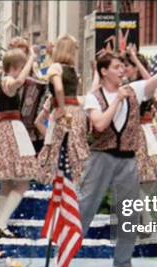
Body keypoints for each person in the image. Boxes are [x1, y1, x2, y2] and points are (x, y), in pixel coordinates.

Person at [80, 27, 157, 267]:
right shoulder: (93, 97)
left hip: (128, 158)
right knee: (86, 206)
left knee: (128, 212)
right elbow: (99, 124)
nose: (123, 70)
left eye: (123, 67)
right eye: (117, 67)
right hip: (101, 157)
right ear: (104, 71)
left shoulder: (136, 91)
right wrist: (117, 100)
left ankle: (122, 262)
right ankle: (63, 254)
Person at [0, 48, 39, 238]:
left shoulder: (0, 83)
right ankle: (1, 222)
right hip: (13, 129)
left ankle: (1, 223)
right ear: (15, 67)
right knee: (23, 182)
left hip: (4, 129)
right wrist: (31, 58)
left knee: (6, 183)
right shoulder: (9, 82)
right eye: (21, 67)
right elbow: (20, 81)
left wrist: (0, 119)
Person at [122, 45, 157, 234]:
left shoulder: (147, 88)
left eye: (128, 66)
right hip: (130, 134)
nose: (125, 70)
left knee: (144, 182)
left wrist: (156, 127)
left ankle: (145, 224)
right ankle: (142, 223)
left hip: (143, 134)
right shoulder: (126, 87)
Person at [36, 35, 89, 186]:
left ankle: (60, 188)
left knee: (58, 151)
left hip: (63, 114)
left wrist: (61, 108)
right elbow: (63, 90)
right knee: (75, 150)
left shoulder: (55, 68)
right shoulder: (72, 71)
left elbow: (58, 89)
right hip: (76, 114)